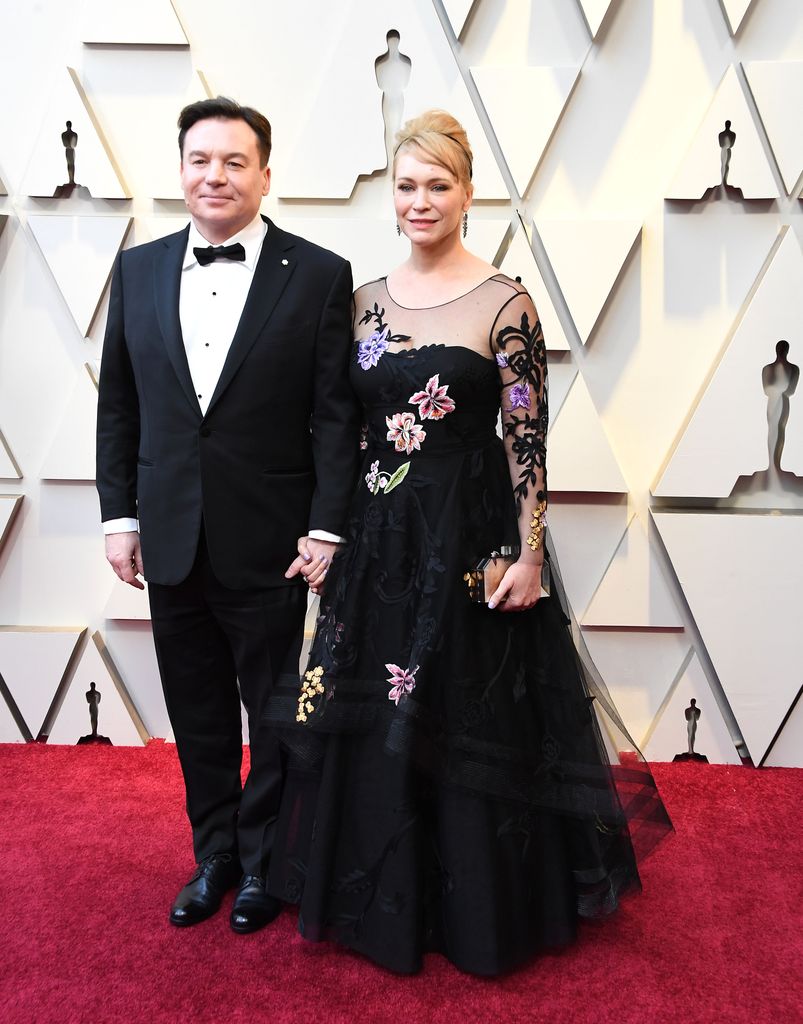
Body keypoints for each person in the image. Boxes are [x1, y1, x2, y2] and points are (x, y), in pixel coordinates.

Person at [264, 110, 672, 976]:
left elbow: (528, 443)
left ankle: (478, 908)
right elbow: (338, 428)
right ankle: (382, 896)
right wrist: (328, 532)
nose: (419, 201)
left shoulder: (503, 300)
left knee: (465, 708)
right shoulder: (363, 299)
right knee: (374, 713)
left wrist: (527, 555)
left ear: (466, 193)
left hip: (468, 538)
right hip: (378, 545)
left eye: (436, 185)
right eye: (405, 185)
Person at [95, 97, 359, 933]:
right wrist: (118, 518)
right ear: (181, 170)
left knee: (274, 715)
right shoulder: (136, 270)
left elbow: (335, 414)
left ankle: (265, 865)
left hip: (272, 541)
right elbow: (120, 408)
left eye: (234, 162)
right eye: (200, 160)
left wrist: (325, 527)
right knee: (197, 713)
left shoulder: (317, 273)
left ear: (265, 174)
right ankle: (214, 855)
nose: (216, 176)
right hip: (168, 538)